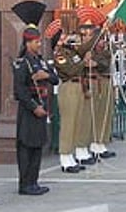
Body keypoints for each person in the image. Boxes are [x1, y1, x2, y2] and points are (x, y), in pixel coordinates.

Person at [12, 0, 59, 195]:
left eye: (39, 41)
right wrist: (33, 107)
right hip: (29, 110)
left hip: (42, 107)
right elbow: (19, 90)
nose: (39, 44)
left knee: (38, 146)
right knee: (27, 148)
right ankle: (25, 184)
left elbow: (55, 79)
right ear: (28, 43)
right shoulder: (22, 64)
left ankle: (34, 181)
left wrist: (45, 75)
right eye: (36, 41)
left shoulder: (40, 62)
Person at [75, 5, 116, 162]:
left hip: (101, 80)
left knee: (102, 114)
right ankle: (82, 147)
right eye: (85, 31)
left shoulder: (102, 47)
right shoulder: (80, 47)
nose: (87, 34)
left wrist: (95, 61)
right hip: (88, 83)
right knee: (86, 117)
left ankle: (98, 143)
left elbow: (105, 60)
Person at [45, 19, 85, 173]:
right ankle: (65, 157)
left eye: (64, 36)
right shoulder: (59, 54)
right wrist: (83, 63)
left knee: (76, 122)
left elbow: (77, 62)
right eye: (61, 37)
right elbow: (70, 70)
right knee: (68, 123)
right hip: (67, 86)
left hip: (77, 86)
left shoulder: (70, 51)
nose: (64, 39)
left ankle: (72, 155)